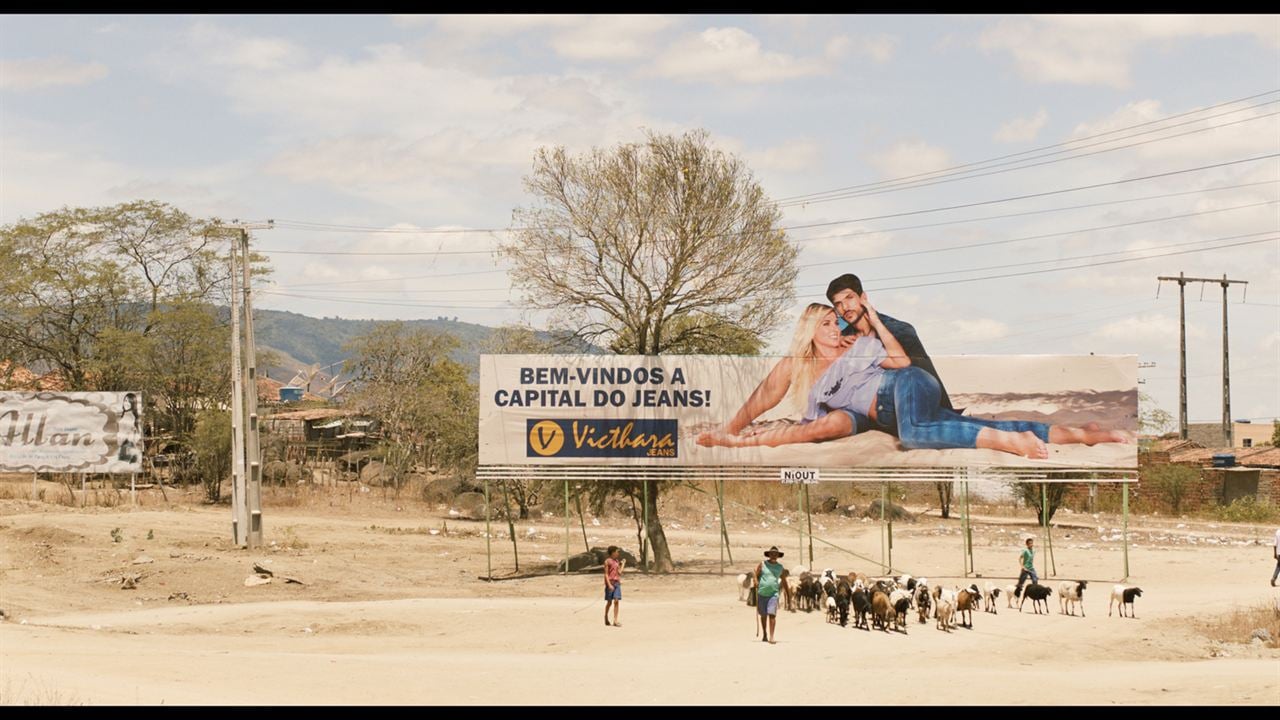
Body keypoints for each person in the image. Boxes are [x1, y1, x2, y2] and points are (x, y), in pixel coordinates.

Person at [697, 302, 1129, 458]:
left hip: (906, 387)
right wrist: (732, 432)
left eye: (836, 321)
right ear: (808, 330)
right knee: (964, 426)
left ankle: (1006, 443)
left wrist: (865, 317)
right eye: (825, 323)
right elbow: (766, 399)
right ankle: (1082, 434)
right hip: (888, 410)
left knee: (918, 436)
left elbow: (901, 351)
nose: (834, 329)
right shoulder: (801, 368)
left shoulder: (854, 345)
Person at [827, 273, 955, 427]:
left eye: (849, 298)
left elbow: (920, 375)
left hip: (912, 411)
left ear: (863, 297)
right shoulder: (845, 337)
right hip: (869, 414)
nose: (845, 307)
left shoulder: (899, 330)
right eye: (838, 304)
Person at [604, 546, 624, 627]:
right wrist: (609, 585)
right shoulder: (607, 561)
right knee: (609, 602)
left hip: (617, 583)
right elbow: (606, 574)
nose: (618, 553)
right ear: (613, 552)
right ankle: (606, 616)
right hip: (610, 583)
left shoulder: (616, 561)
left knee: (616, 600)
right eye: (617, 552)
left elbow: (619, 572)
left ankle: (615, 620)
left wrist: (623, 564)